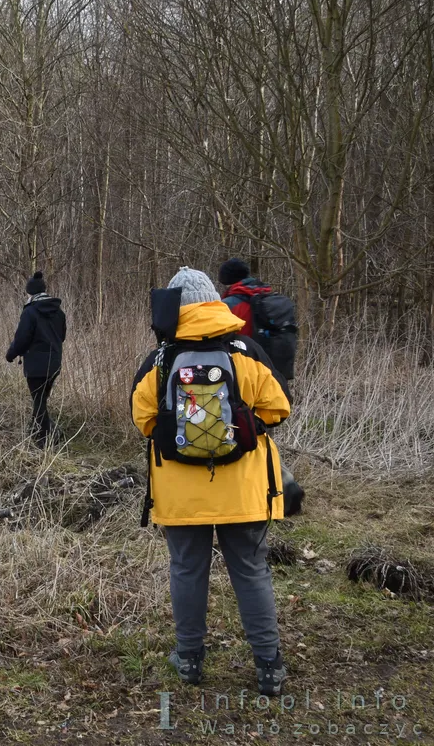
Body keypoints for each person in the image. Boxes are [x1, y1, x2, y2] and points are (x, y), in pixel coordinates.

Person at [131, 267, 292, 696]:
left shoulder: (161, 359)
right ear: (213, 303)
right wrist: (246, 427)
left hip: (181, 494)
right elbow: (280, 407)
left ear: (175, 308)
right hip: (242, 489)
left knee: (187, 570)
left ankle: (188, 661)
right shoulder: (245, 349)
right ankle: (269, 667)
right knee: (251, 570)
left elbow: (142, 418)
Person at [219, 258, 304, 515]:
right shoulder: (266, 297)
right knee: (258, 433)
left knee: (248, 436)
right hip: (273, 376)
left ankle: (282, 485)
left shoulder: (232, 304)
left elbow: (225, 342)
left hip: (246, 378)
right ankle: (277, 486)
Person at [5, 271, 67, 448]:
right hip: (54, 363)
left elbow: (22, 339)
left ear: (30, 292)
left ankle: (46, 439)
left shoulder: (30, 312)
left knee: (38, 400)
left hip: (36, 365)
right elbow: (61, 336)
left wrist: (11, 354)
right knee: (41, 398)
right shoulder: (59, 312)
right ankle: (36, 430)